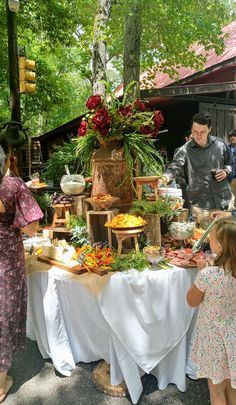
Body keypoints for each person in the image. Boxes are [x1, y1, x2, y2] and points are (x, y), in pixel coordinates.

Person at [0, 140, 43, 402]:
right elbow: (32, 228)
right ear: (7, 160)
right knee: (5, 311)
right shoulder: (13, 186)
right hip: (7, 261)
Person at [187, 218, 236, 405]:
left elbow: (191, 301)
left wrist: (201, 273)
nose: (209, 241)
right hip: (233, 339)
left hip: (213, 341)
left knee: (216, 393)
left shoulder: (208, 275)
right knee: (232, 389)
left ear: (220, 247)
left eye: (212, 239)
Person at [163, 113, 234, 224]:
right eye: (195, 131)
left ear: (210, 129)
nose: (198, 135)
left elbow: (230, 163)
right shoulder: (184, 150)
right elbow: (174, 168)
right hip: (202, 209)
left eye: (203, 132)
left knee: (228, 240)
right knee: (205, 240)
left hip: (225, 202)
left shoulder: (220, 144)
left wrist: (226, 171)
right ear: (191, 129)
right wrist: (164, 178)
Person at [174, 131, 192, 210]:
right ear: (186, 138)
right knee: (187, 207)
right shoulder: (179, 151)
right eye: (191, 138)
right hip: (185, 184)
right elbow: (176, 168)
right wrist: (182, 183)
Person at [227, 129, 236, 205]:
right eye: (230, 136)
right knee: (231, 199)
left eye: (234, 136)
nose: (232, 138)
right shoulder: (226, 148)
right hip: (231, 177)